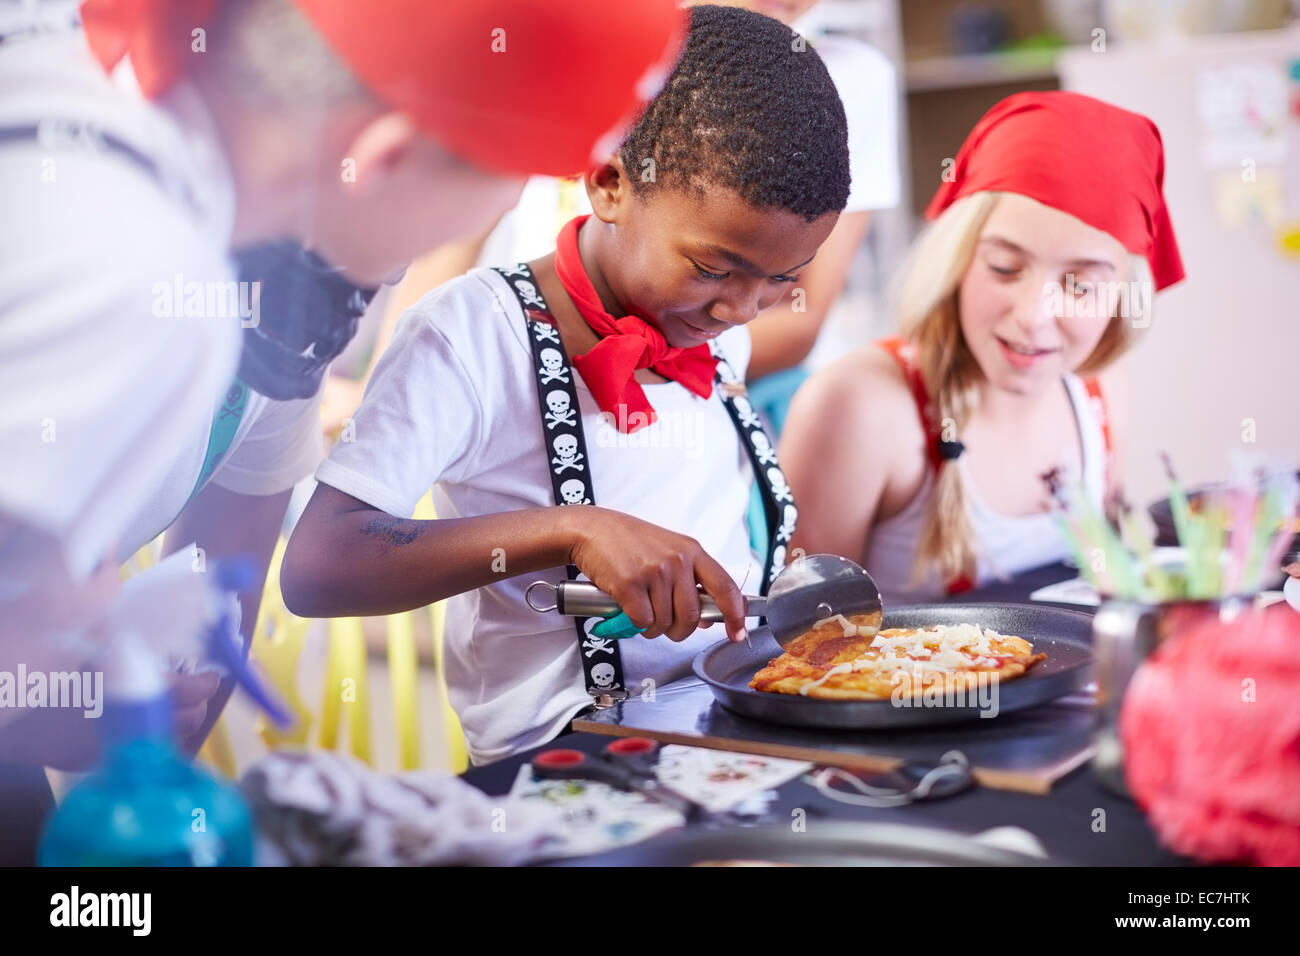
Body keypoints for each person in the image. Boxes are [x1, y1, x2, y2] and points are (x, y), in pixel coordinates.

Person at [0, 0, 684, 861]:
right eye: (480, 210)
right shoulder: (134, 275)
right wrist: (43, 696)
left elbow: (213, 569)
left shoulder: (262, 266)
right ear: (385, 158)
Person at [280, 4, 850, 764]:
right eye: (713, 268)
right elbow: (321, 568)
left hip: (729, 726)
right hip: (564, 762)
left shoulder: (711, 328)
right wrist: (574, 530)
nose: (740, 309)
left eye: (780, 280)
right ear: (610, 182)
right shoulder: (472, 334)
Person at [780, 91, 1185, 600]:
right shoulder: (859, 404)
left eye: (1080, 286)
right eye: (1005, 268)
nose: (1033, 318)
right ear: (957, 258)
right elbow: (801, 640)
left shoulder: (1099, 394)